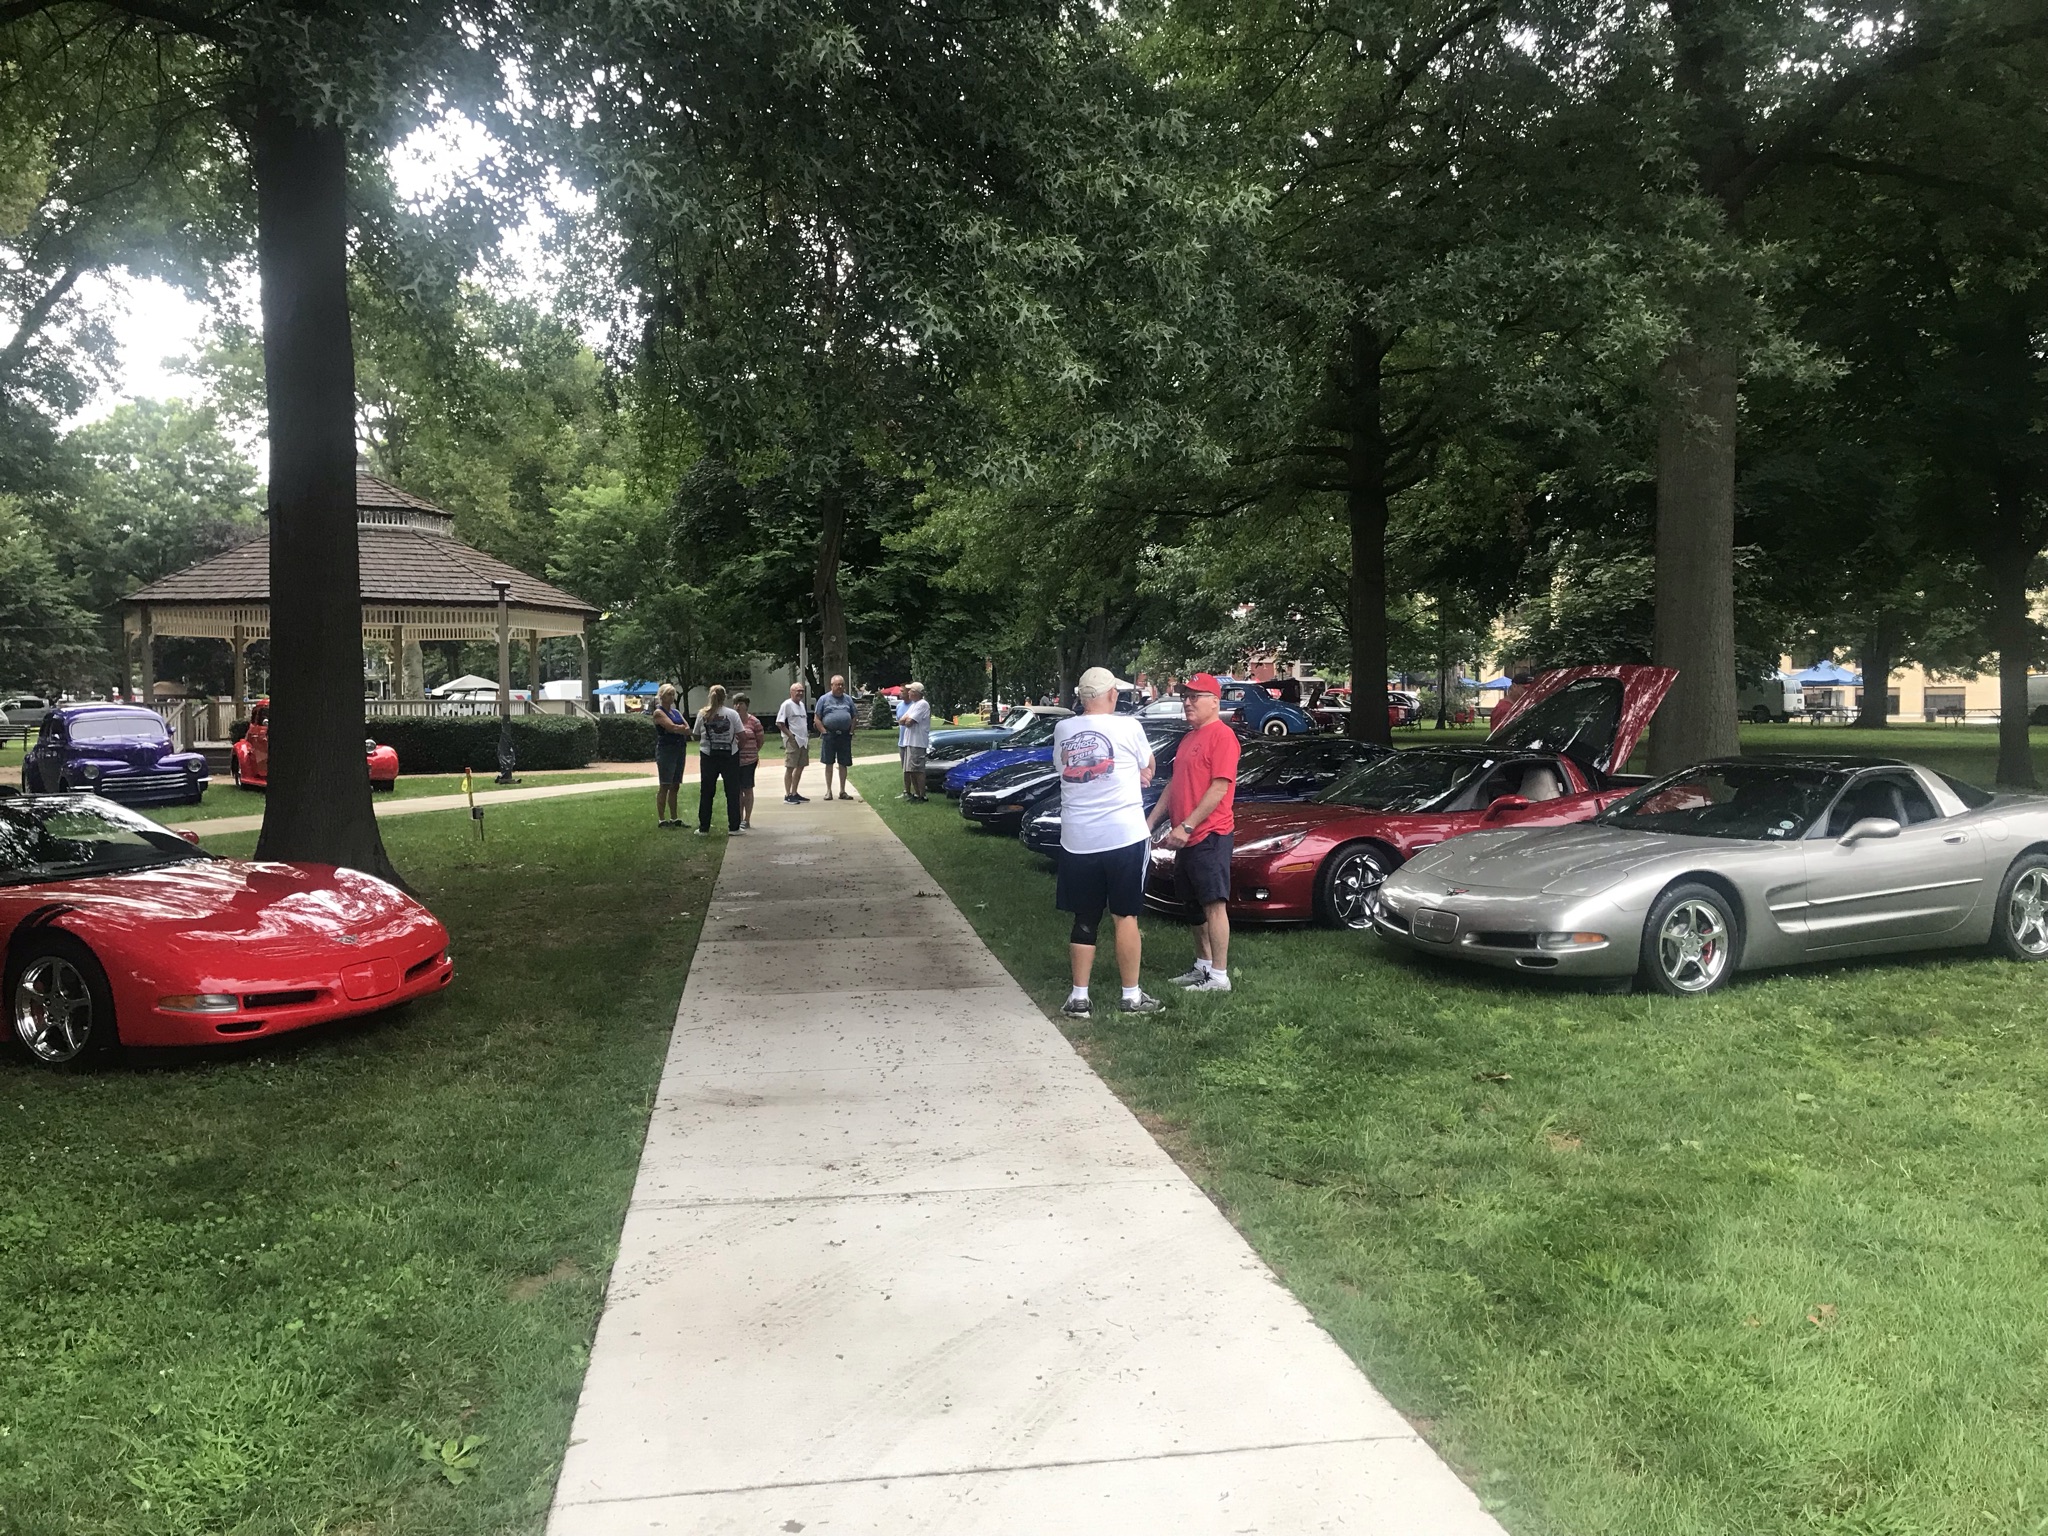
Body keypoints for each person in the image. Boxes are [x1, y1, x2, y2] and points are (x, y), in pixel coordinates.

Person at [1053, 667, 1161, 1017]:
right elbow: (1150, 763)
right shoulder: (1130, 726)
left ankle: (1079, 997)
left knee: (1085, 915)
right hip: (1124, 835)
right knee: (1125, 914)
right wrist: (1142, 772)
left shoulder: (1063, 729)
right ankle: (1131, 996)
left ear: (1082, 698)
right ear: (1113, 694)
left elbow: (1065, 768)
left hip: (1078, 838)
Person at [1148, 672, 1240, 993]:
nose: (1187, 702)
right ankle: (1202, 965)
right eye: (1185, 697)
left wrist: (1187, 825)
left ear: (1214, 702)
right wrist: (1152, 821)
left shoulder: (1222, 736)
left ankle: (1219, 977)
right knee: (1193, 907)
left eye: (1195, 697)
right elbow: (1174, 786)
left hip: (1210, 834)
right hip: (1186, 837)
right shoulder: (1189, 739)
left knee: (1214, 904)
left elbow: (1219, 788)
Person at [694, 684, 745, 834]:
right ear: (725, 697)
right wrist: (737, 748)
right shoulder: (732, 714)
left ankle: (704, 827)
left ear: (710, 696)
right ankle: (734, 827)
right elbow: (742, 736)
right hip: (730, 756)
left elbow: (696, 734)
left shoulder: (703, 714)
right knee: (732, 791)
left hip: (708, 755)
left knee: (707, 791)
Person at [650, 683, 692, 828]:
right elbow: (671, 727)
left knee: (675, 785)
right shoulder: (658, 712)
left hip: (679, 749)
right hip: (666, 750)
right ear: (661, 696)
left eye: (673, 694)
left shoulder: (676, 712)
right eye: (669, 694)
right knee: (665, 784)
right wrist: (678, 728)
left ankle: (674, 818)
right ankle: (662, 819)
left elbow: (687, 729)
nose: (672, 697)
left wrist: (679, 729)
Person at [815, 673, 858, 801]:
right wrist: (823, 731)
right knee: (829, 763)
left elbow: (854, 716)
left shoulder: (848, 699)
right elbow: (817, 718)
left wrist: (851, 731)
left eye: (842, 685)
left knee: (843, 763)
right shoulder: (823, 699)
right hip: (830, 734)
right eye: (837, 684)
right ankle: (828, 791)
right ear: (831, 685)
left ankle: (842, 791)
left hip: (844, 735)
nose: (840, 687)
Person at [733, 691, 764, 830]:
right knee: (737, 790)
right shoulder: (732, 720)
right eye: (736, 703)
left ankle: (747, 819)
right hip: (735, 759)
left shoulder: (754, 721)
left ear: (746, 705)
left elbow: (760, 740)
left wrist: (754, 752)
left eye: (741, 703)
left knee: (748, 789)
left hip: (750, 760)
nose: (738, 706)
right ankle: (738, 817)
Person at [897, 681, 933, 801]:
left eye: (911, 691)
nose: (908, 693)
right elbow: (902, 721)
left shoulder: (923, 704)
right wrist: (906, 720)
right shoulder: (913, 705)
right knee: (910, 770)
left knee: (918, 770)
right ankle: (916, 794)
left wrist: (907, 720)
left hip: (917, 742)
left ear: (916, 693)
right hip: (909, 741)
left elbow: (909, 722)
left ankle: (922, 795)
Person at [776, 682, 811, 804]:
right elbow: (779, 723)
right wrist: (790, 735)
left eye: (802, 691)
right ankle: (788, 795)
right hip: (793, 740)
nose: (800, 693)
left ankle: (795, 792)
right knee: (790, 767)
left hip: (803, 740)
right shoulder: (787, 705)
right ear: (791, 692)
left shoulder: (801, 705)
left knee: (800, 767)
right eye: (797, 691)